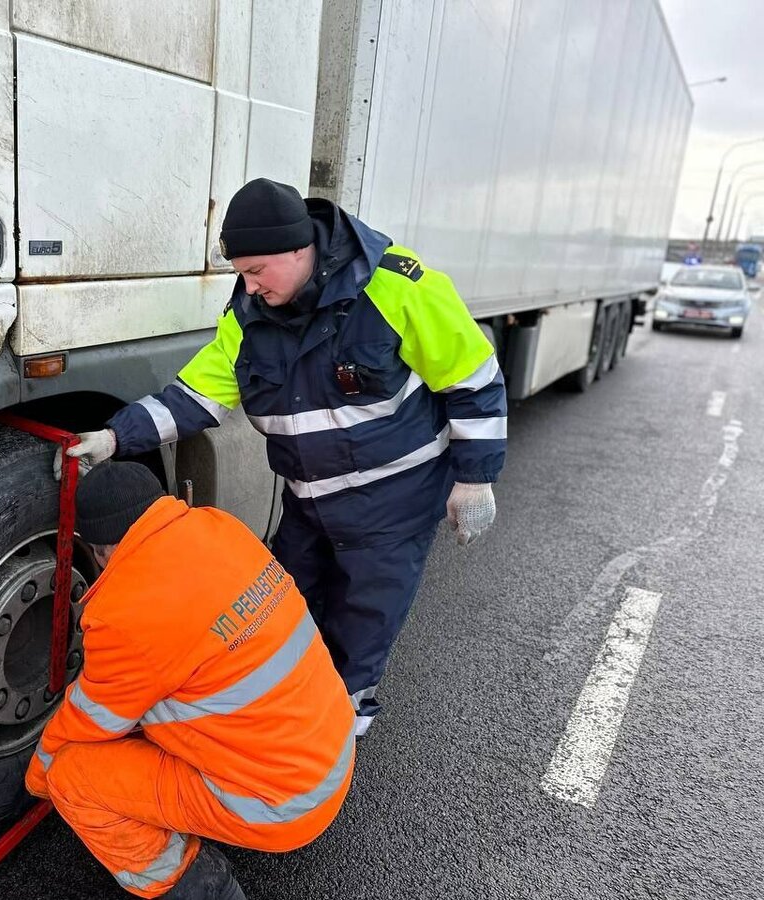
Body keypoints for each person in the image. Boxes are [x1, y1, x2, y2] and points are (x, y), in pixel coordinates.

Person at [59, 178, 507, 735]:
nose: (248, 285)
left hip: (393, 501)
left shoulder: (395, 288)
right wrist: (115, 437)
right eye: (241, 273)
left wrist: (475, 478)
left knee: (365, 615)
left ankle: (341, 727)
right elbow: (194, 397)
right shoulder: (249, 315)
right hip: (309, 499)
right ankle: (290, 704)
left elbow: (473, 379)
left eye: (256, 270)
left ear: (301, 250)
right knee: (287, 603)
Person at [26, 461, 355, 900]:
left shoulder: (126, 612)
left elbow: (91, 719)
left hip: (283, 805)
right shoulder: (221, 527)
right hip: (331, 750)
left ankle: (206, 890)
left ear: (98, 549)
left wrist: (39, 773)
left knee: (73, 779)